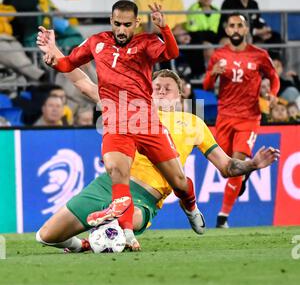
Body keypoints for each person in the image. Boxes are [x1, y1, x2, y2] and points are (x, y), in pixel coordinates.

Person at [36, 69, 280, 253]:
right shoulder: (131, 109)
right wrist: (61, 57)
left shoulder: (194, 123)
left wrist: (253, 165)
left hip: (145, 196)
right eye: (157, 87)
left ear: (181, 93)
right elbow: (87, 85)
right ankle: (88, 244)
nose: (161, 91)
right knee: (46, 236)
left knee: (126, 219)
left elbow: (227, 167)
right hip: (106, 185)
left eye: (168, 88)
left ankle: (118, 227)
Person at [37, 0, 202, 251]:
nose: (122, 30)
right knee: (117, 172)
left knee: (179, 182)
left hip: (146, 121)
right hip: (115, 121)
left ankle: (191, 208)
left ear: (136, 23)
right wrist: (53, 56)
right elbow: (69, 64)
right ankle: (127, 235)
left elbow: (171, 54)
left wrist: (165, 29)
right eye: (117, 24)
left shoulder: (146, 42)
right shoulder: (97, 42)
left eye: (127, 25)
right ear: (111, 21)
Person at [203, 13, 280, 228]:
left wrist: (273, 94)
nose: (236, 29)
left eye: (240, 26)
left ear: (246, 30)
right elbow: (208, 86)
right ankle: (244, 175)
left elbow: (274, 77)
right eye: (232, 26)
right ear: (227, 30)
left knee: (238, 159)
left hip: (249, 118)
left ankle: (222, 218)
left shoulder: (260, 55)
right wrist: (213, 74)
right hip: (225, 117)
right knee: (225, 168)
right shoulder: (219, 55)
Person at [5, 0, 84, 50]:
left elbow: (53, 10)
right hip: (31, 36)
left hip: (53, 31)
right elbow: (28, 3)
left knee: (77, 44)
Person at [218, 0, 282, 47]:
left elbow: (258, 21)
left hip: (251, 34)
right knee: (234, 41)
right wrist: (254, 31)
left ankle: (274, 59)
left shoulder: (254, 4)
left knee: (274, 37)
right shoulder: (228, 2)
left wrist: (264, 29)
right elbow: (226, 24)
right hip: (232, 35)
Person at [0, 3, 45, 84]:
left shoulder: (2, 7)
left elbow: (12, 13)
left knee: (21, 57)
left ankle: (35, 82)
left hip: (8, 37)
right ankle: (41, 76)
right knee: (17, 59)